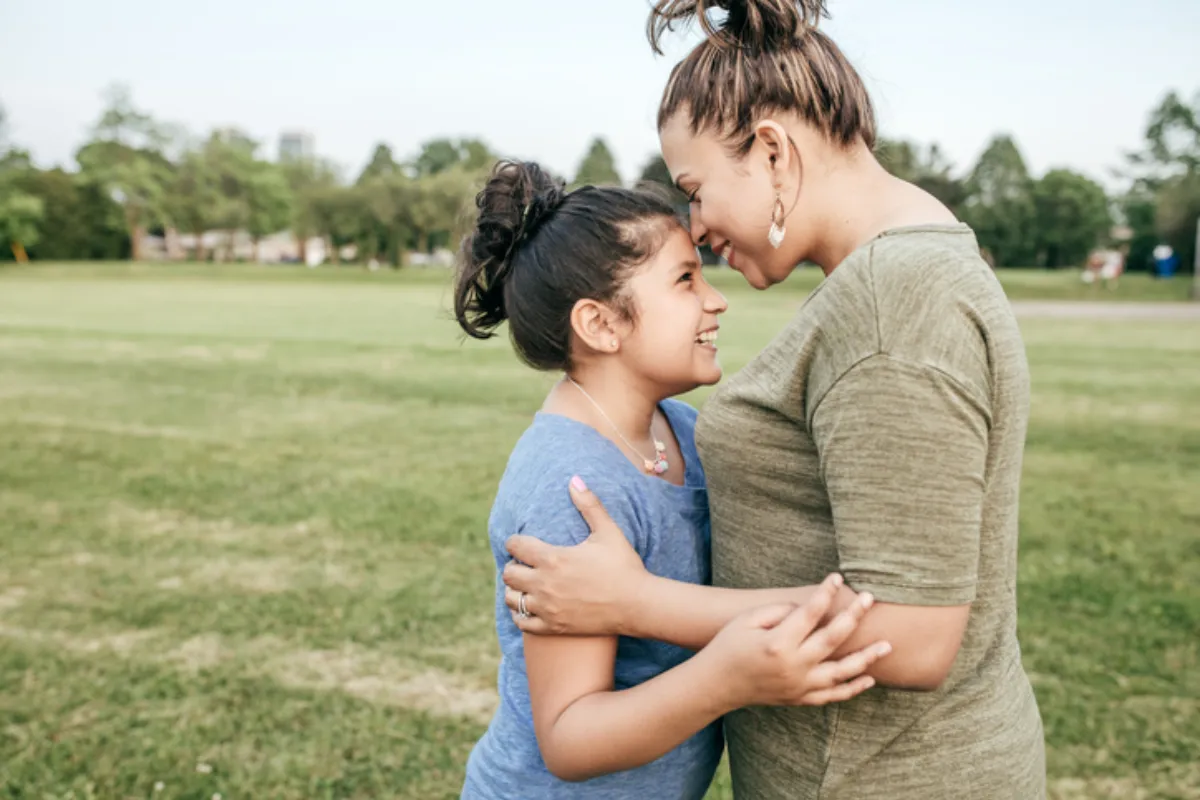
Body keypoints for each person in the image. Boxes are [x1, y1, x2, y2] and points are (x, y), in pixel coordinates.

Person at [499, 2, 1047, 798]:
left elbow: (913, 634)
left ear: (771, 151)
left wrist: (636, 603)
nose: (696, 226)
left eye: (695, 191)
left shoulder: (892, 306)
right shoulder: (890, 281)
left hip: (882, 777)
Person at [455, 161, 890, 799]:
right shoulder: (572, 486)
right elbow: (570, 737)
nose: (716, 299)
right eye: (685, 279)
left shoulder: (681, 429)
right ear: (601, 325)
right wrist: (726, 680)